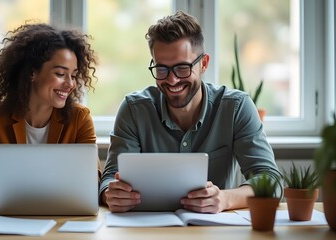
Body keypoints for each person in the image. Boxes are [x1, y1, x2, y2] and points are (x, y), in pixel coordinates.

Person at [100, 11, 282, 213]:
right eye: (161, 69)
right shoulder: (134, 110)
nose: (172, 80)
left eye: (182, 68)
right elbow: (110, 177)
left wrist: (225, 199)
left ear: (203, 63)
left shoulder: (236, 107)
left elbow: (270, 180)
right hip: (146, 228)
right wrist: (111, 194)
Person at [0, 23, 99, 207]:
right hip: (6, 220)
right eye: (60, 73)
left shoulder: (79, 118)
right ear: (32, 72)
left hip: (62, 218)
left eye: (74, 75)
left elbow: (93, 182)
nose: (70, 84)